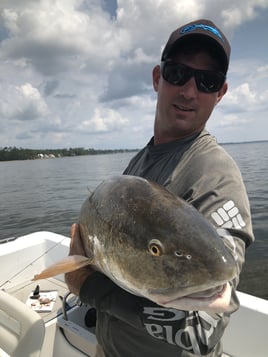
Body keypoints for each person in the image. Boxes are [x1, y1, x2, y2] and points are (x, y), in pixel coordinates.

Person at [66, 19, 254, 357]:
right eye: (178, 73)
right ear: (157, 77)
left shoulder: (215, 176)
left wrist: (87, 285)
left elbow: (202, 331)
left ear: (221, 93)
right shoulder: (138, 165)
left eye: (207, 81)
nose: (189, 91)